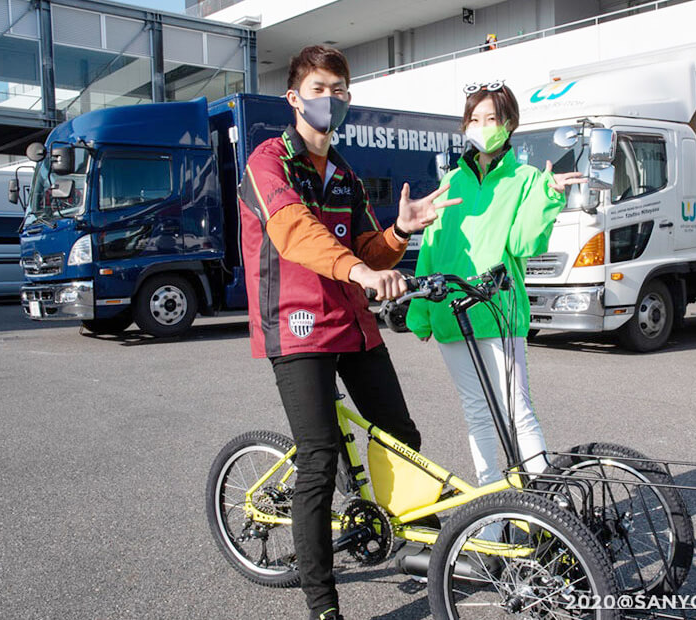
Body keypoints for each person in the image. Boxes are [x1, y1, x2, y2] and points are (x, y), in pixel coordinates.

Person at [237, 45, 459, 620]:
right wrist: (360, 271)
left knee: (399, 433)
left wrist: (399, 232)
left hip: (352, 322)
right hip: (297, 325)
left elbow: (367, 249)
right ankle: (322, 605)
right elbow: (293, 230)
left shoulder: (344, 173)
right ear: (294, 98)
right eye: (319, 88)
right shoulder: (267, 162)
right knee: (318, 459)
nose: (329, 98)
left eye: (339, 89)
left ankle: (419, 542)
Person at [406, 81, 585, 488]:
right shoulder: (452, 180)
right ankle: (492, 504)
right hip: (450, 312)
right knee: (476, 412)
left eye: (492, 118)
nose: (482, 126)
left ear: (509, 124)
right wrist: (420, 313)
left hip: (498, 308)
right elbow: (431, 246)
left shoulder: (526, 179)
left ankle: (545, 504)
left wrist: (549, 197)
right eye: (475, 118)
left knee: (517, 411)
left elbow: (524, 243)